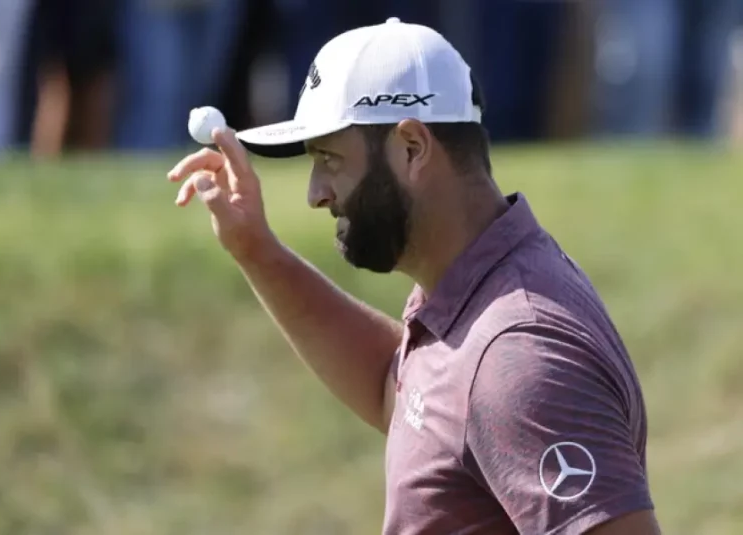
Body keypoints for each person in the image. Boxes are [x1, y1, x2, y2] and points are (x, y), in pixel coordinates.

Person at [167, 17, 661, 535]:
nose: (315, 193)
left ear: (412, 147)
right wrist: (256, 250)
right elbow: (408, 398)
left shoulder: (516, 359)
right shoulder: (477, 282)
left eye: (330, 160)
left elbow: (483, 392)